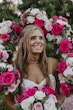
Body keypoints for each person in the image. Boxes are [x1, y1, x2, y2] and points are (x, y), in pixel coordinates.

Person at [5, 24, 59, 110]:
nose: (38, 41)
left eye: (41, 38)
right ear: (24, 42)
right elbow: (9, 100)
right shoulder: (15, 69)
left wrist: (55, 107)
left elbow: (62, 93)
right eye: (33, 38)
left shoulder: (53, 63)